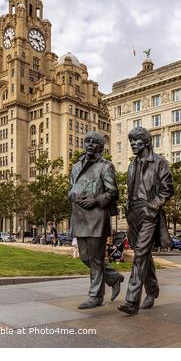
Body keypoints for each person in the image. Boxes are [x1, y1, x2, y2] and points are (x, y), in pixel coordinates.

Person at [117, 126, 174, 316]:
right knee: (144, 255)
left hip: (149, 213)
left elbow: (167, 189)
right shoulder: (133, 165)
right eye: (131, 141)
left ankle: (131, 301)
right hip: (133, 213)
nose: (133, 144)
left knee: (140, 254)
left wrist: (153, 206)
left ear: (147, 142)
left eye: (137, 141)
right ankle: (153, 289)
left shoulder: (159, 163)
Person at [68, 131, 124, 309]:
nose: (89, 144)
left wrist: (95, 200)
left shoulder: (106, 166)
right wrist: (73, 195)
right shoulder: (76, 166)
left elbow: (113, 192)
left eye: (94, 142)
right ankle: (113, 277)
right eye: (87, 141)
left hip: (97, 217)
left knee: (96, 258)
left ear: (100, 146)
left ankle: (96, 296)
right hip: (79, 216)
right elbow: (71, 188)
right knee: (85, 257)